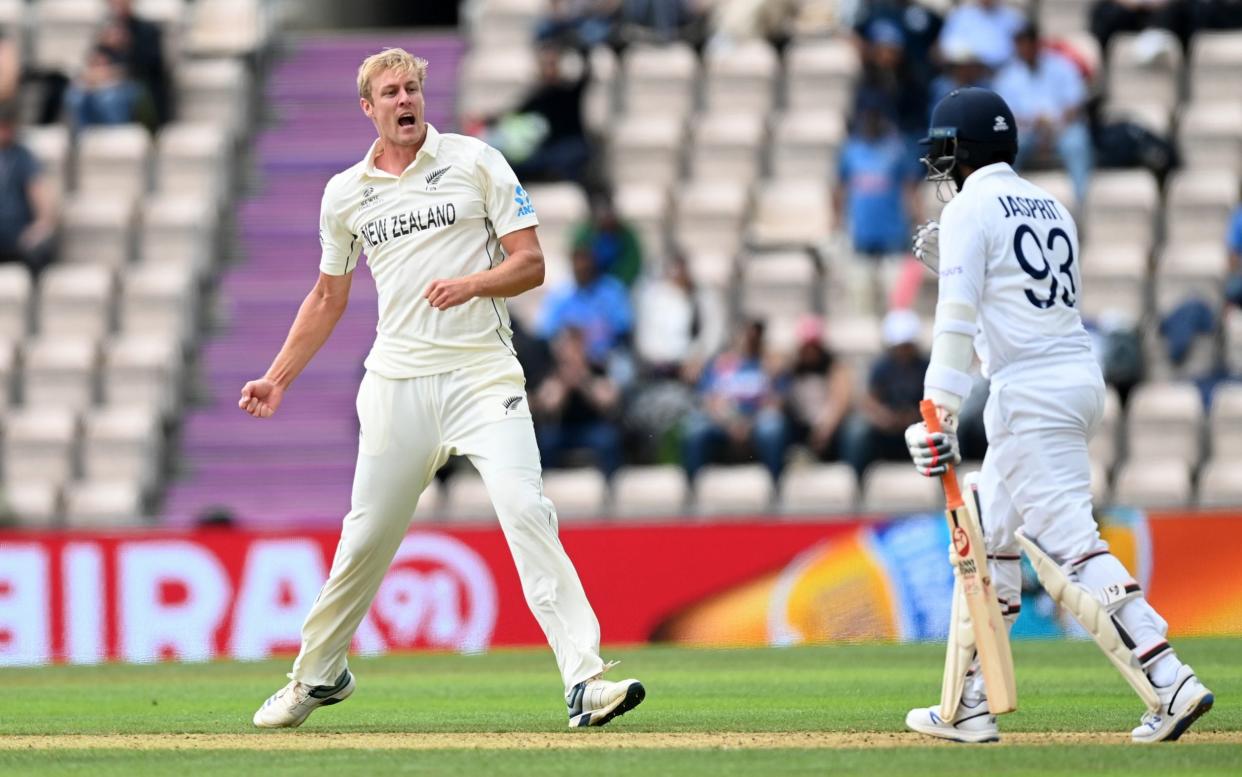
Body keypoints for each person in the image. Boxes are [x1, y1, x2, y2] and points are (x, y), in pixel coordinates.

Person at [240, 48, 644, 731]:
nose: (405, 100)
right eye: (390, 93)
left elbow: (531, 264)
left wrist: (473, 283)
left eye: (412, 89)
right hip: (398, 383)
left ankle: (586, 679)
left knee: (526, 507)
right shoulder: (346, 192)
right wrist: (277, 378)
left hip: (483, 376)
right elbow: (326, 296)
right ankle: (317, 675)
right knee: (367, 537)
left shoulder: (476, 161)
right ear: (367, 108)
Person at [903, 87, 1213, 743]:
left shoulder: (968, 211)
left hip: (1031, 394)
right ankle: (969, 705)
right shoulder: (1052, 204)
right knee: (993, 542)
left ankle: (1171, 680)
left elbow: (955, 323)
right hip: (1073, 377)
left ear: (960, 151)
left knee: (1074, 547)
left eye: (943, 152)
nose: (938, 166)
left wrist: (939, 413)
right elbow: (1017, 314)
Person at [993, 22, 1093, 205]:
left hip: (1062, 127)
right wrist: (1032, 123)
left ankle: (1081, 203)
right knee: (1007, 145)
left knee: (1077, 143)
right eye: (1019, 45)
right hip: (1025, 130)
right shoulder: (1008, 75)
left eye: (1026, 44)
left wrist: (1053, 124)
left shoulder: (1062, 65)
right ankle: (1005, 201)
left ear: (1036, 43)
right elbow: (1006, 115)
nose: (1023, 49)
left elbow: (1075, 105)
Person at [681, 319, 789, 483]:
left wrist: (747, 424)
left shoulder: (770, 365)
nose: (752, 336)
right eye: (748, 331)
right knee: (695, 427)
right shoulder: (720, 364)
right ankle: (692, 487)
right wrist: (731, 423)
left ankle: (775, 486)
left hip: (755, 422)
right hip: (723, 423)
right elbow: (709, 400)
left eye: (757, 332)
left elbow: (777, 402)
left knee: (772, 427)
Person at [840, 308, 928, 477]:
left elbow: (933, 399)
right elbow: (870, 400)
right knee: (858, 432)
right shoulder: (882, 367)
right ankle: (856, 480)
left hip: (919, 424)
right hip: (887, 427)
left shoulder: (925, 367)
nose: (903, 351)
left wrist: (915, 416)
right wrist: (884, 417)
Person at [534, 326, 624, 477]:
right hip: (562, 429)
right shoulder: (553, 372)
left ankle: (610, 487)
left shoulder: (596, 368)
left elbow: (607, 402)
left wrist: (583, 381)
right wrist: (564, 385)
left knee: (608, 439)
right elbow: (548, 406)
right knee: (545, 440)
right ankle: (542, 486)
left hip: (591, 428)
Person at [537, 244, 633, 366]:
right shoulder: (560, 295)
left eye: (585, 262)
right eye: (577, 262)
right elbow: (544, 332)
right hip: (569, 362)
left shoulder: (612, 291)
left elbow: (624, 329)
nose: (581, 267)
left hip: (606, 359)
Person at [786, 315, 854, 462]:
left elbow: (841, 401)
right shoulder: (792, 368)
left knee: (856, 430)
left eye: (814, 346)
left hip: (830, 428)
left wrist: (825, 429)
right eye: (806, 346)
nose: (810, 351)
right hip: (799, 426)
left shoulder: (835, 368)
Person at [0, 104, 57, 276]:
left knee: (37, 251)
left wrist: (42, 224)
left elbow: (38, 191)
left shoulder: (22, 156)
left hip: (16, 233)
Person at [570, 189, 643, 286]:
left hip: (620, 284)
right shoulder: (586, 234)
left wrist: (617, 284)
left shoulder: (626, 236)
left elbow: (633, 264)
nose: (605, 218)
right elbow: (578, 258)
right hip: (590, 282)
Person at [63, 45, 143, 129]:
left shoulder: (123, 79)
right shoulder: (83, 80)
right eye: (95, 63)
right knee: (75, 97)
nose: (98, 69)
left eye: (101, 63)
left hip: (117, 122)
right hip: (89, 124)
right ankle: (82, 133)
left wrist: (100, 85)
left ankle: (114, 132)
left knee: (107, 98)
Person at [937, 0, 1025, 70]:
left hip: (1002, 73)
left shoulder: (1013, 18)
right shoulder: (961, 15)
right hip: (966, 73)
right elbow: (947, 46)